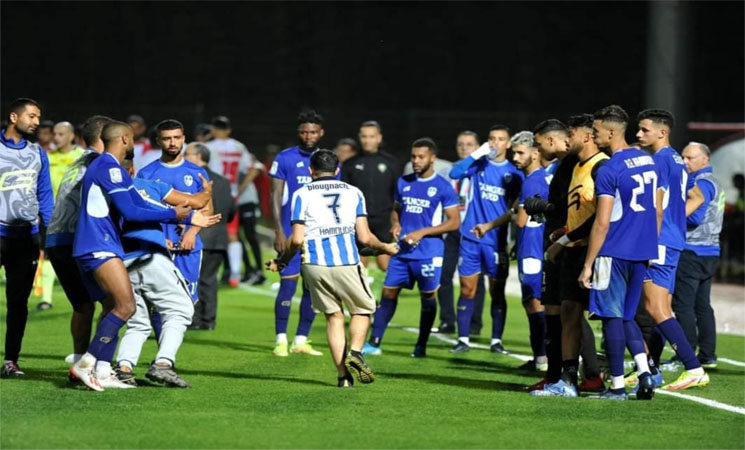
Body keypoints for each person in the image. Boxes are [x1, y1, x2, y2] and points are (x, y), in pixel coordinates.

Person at [68, 121, 217, 391]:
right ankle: (90, 362)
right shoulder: (109, 167)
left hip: (116, 249)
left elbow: (137, 205)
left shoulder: (117, 172)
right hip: (103, 245)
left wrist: (184, 211)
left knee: (128, 312)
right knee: (155, 308)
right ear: (125, 138)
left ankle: (107, 370)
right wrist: (175, 213)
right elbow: (134, 210)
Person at [267, 149, 398, 387]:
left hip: (314, 265)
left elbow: (296, 240)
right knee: (362, 310)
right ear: (337, 171)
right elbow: (366, 238)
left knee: (333, 317)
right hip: (346, 260)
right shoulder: (353, 192)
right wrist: (386, 248)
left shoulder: (301, 194)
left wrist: (282, 261)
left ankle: (342, 377)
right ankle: (356, 353)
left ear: (310, 171)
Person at [577, 105, 659, 401]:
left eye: (596, 132)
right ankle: (645, 374)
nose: (593, 136)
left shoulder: (609, 169)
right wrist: (651, 245)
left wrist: (588, 264)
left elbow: (602, 221)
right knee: (627, 317)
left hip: (614, 251)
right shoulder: (647, 160)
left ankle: (617, 387)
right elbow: (655, 208)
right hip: (641, 251)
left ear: (610, 132)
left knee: (612, 318)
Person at [114, 158, 217, 388]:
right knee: (182, 309)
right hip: (151, 258)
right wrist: (207, 191)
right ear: (132, 170)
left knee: (138, 322)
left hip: (121, 263)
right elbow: (196, 202)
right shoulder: (145, 186)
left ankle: (124, 367)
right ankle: (163, 363)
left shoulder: (106, 193)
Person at [631, 109, 711, 392]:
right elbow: (697, 197)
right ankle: (648, 368)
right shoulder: (677, 159)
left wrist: (650, 241)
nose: (638, 134)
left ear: (662, 132)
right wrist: (678, 221)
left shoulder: (660, 161)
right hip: (672, 240)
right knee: (658, 308)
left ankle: (693, 368)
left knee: (654, 308)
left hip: (660, 242)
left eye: (643, 130)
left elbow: (657, 207)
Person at [531, 115, 608, 397]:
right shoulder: (574, 166)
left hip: (586, 249)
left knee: (612, 316)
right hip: (568, 246)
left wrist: (562, 234)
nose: (567, 138)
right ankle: (565, 378)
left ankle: (624, 374)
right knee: (566, 311)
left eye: (571, 133)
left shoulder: (600, 166)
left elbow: (599, 215)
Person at [362, 138, 460, 357]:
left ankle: (421, 345)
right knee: (388, 293)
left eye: (421, 157)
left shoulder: (443, 187)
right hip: (402, 252)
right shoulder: (403, 182)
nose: (415, 161)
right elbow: (396, 209)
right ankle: (375, 342)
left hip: (429, 253)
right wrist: (396, 224)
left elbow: (454, 222)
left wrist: (422, 232)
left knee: (427, 297)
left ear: (432, 158)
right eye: (413, 156)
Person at [474, 131, 548, 370]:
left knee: (534, 303)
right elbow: (514, 211)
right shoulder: (539, 179)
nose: (515, 157)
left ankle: (542, 359)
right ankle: (543, 357)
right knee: (535, 302)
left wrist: (518, 214)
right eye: (514, 151)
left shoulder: (532, 181)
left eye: (520, 152)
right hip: (533, 247)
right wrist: (489, 225)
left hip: (533, 250)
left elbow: (519, 220)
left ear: (535, 153)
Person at [448, 124, 522, 354]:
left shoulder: (515, 173)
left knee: (496, 292)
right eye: (492, 138)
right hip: (470, 237)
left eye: (500, 139)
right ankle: (463, 339)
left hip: (496, 240)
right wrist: (476, 153)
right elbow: (454, 173)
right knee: (467, 290)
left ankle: (496, 341)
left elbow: (515, 209)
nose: (495, 143)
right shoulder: (479, 164)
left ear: (508, 144)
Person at [46, 115, 112, 364]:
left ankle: (79, 358)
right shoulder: (101, 163)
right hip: (78, 240)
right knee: (117, 302)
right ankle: (99, 362)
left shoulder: (78, 162)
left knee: (83, 305)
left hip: (56, 239)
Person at [268, 110, 330, 357]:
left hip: (318, 235)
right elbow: (275, 194)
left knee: (312, 289)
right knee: (287, 287)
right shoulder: (285, 158)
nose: (308, 136)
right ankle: (280, 340)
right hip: (291, 232)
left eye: (313, 131)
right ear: (298, 132)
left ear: (321, 133)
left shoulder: (328, 160)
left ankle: (301, 339)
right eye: (304, 131)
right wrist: (278, 230)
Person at [0, 98, 53, 378]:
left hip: (26, 238)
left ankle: (10, 361)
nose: (36, 122)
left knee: (18, 304)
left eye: (37, 117)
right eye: (31, 116)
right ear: (13, 117)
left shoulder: (37, 152)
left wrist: (51, 230)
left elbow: (45, 194)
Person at [139, 119, 213, 303]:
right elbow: (141, 214)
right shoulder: (146, 174)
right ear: (158, 141)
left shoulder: (197, 172)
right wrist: (157, 238)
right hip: (158, 247)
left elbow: (208, 208)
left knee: (188, 302)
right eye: (167, 138)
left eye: (176, 138)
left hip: (189, 248)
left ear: (183, 139)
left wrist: (191, 233)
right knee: (156, 301)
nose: (172, 143)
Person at [524, 119, 572, 391]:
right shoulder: (559, 166)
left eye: (540, 144)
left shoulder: (578, 166)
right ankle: (555, 376)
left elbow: (578, 210)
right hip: (555, 245)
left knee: (570, 313)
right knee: (556, 312)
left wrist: (547, 208)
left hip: (567, 247)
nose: (538, 151)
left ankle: (586, 374)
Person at [673, 142, 724, 369]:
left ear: (705, 159)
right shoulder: (716, 183)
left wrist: (672, 213)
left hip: (692, 250)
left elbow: (695, 217)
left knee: (683, 305)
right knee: (703, 306)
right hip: (711, 250)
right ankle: (708, 354)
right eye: (683, 157)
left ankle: (685, 354)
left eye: (690, 158)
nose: (685, 162)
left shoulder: (701, 183)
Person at [436, 131, 486, 333]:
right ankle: (447, 320)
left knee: (477, 278)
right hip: (451, 230)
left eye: (469, 144)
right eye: (461, 144)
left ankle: (474, 324)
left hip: (473, 229)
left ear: (477, 147)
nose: (464, 147)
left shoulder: (483, 171)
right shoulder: (448, 172)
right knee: (443, 276)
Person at [34, 121, 85, 311]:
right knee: (47, 256)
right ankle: (46, 298)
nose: (56, 137)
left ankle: (84, 296)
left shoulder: (81, 157)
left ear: (72, 136)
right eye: (55, 134)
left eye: (61, 134)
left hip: (77, 217)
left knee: (78, 257)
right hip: (52, 216)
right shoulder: (47, 157)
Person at [186, 142, 236, 330]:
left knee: (194, 280)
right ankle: (209, 320)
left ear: (199, 157)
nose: (184, 157)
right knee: (210, 280)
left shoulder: (194, 178)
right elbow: (231, 210)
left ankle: (196, 319)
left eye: (188, 154)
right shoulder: (223, 181)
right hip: (219, 238)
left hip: (199, 235)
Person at [341, 120, 401, 272]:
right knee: (358, 266)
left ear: (379, 138)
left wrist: (397, 221)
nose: (368, 140)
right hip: (359, 220)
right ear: (360, 138)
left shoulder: (391, 163)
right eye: (364, 136)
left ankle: (386, 296)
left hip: (383, 220)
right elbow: (343, 195)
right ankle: (363, 296)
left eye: (371, 136)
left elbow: (398, 196)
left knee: (385, 265)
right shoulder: (350, 164)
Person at [206, 115, 252, 286]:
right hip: (231, 194)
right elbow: (250, 167)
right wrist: (239, 189)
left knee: (204, 231)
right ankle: (235, 274)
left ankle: (207, 272)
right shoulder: (239, 147)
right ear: (229, 130)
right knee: (233, 235)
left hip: (211, 193)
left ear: (213, 129)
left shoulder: (208, 147)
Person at [237, 145, 266, 285]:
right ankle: (248, 269)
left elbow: (258, 168)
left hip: (247, 201)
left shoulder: (242, 156)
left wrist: (239, 190)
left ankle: (260, 271)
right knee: (236, 238)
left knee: (251, 236)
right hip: (234, 203)